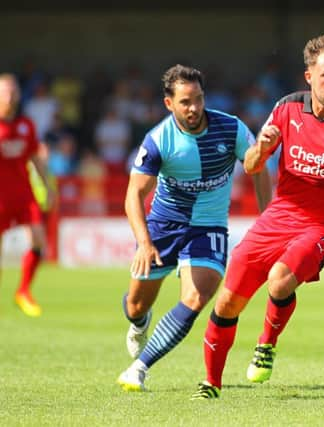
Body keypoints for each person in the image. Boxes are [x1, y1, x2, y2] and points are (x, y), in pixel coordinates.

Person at [190, 34, 324, 400]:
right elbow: (249, 165)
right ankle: (211, 384)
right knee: (227, 302)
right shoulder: (286, 109)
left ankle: (267, 344)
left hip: (323, 227)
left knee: (280, 281)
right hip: (278, 218)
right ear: (309, 75)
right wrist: (261, 150)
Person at [116, 64, 272, 392]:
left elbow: (257, 167)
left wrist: (268, 217)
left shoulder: (231, 129)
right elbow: (134, 193)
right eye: (186, 102)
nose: (194, 108)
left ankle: (140, 368)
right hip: (163, 227)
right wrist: (144, 243)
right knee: (135, 305)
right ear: (169, 103)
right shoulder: (159, 140)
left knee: (197, 296)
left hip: (208, 226)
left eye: (199, 99)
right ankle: (139, 322)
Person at [0, 73, 54, 317]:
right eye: (5, 92)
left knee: (39, 240)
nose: (10, 96)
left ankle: (23, 291)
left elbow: (35, 159)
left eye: (13, 91)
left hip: (24, 194)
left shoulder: (26, 124)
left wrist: (48, 187)